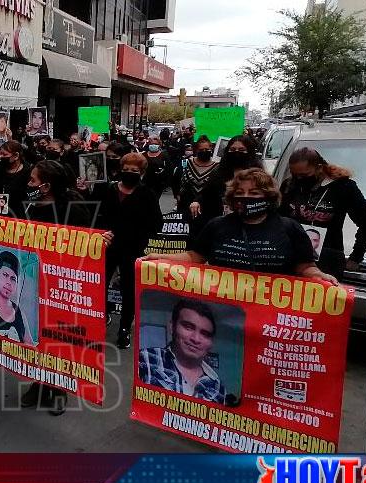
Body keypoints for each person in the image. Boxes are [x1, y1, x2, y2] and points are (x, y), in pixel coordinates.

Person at [19, 160, 110, 416]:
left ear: (46, 186)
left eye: (34, 181)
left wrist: (98, 241)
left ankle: (59, 388)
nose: (29, 185)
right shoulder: (31, 208)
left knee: (58, 338)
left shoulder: (74, 208)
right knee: (36, 334)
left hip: (63, 285)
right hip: (36, 280)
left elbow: (86, 243)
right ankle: (38, 383)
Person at [149, 168, 337, 282]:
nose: (246, 197)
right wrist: (160, 257)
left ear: (269, 197)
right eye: (240, 192)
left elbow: (304, 267)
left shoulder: (290, 228)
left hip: (267, 316)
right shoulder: (217, 225)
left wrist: (317, 276)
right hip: (222, 312)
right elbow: (194, 257)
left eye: (254, 193)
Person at [80, 152, 162, 348]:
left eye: (134, 170)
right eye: (126, 170)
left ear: (141, 173)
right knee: (99, 285)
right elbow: (93, 213)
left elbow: (156, 224)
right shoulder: (109, 190)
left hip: (132, 249)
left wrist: (137, 231)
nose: (129, 173)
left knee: (128, 290)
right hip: (106, 247)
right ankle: (98, 319)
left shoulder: (147, 194)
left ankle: (124, 328)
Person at [281, 147, 366, 280]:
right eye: (295, 175)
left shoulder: (343, 187)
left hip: (328, 257)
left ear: (319, 168)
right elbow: (278, 218)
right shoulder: (289, 185)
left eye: (304, 175)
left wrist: (356, 256)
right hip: (292, 255)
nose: (299, 179)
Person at [138, 300, 226, 404]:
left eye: (205, 334)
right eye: (188, 327)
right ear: (172, 327)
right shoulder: (145, 359)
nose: (196, 339)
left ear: (211, 342)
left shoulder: (218, 388)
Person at [172, 136, 221, 237]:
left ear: (211, 149)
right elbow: (178, 181)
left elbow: (216, 188)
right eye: (201, 150)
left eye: (207, 149)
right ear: (196, 150)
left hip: (208, 206)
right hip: (187, 203)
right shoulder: (187, 163)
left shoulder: (217, 167)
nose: (204, 151)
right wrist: (177, 195)